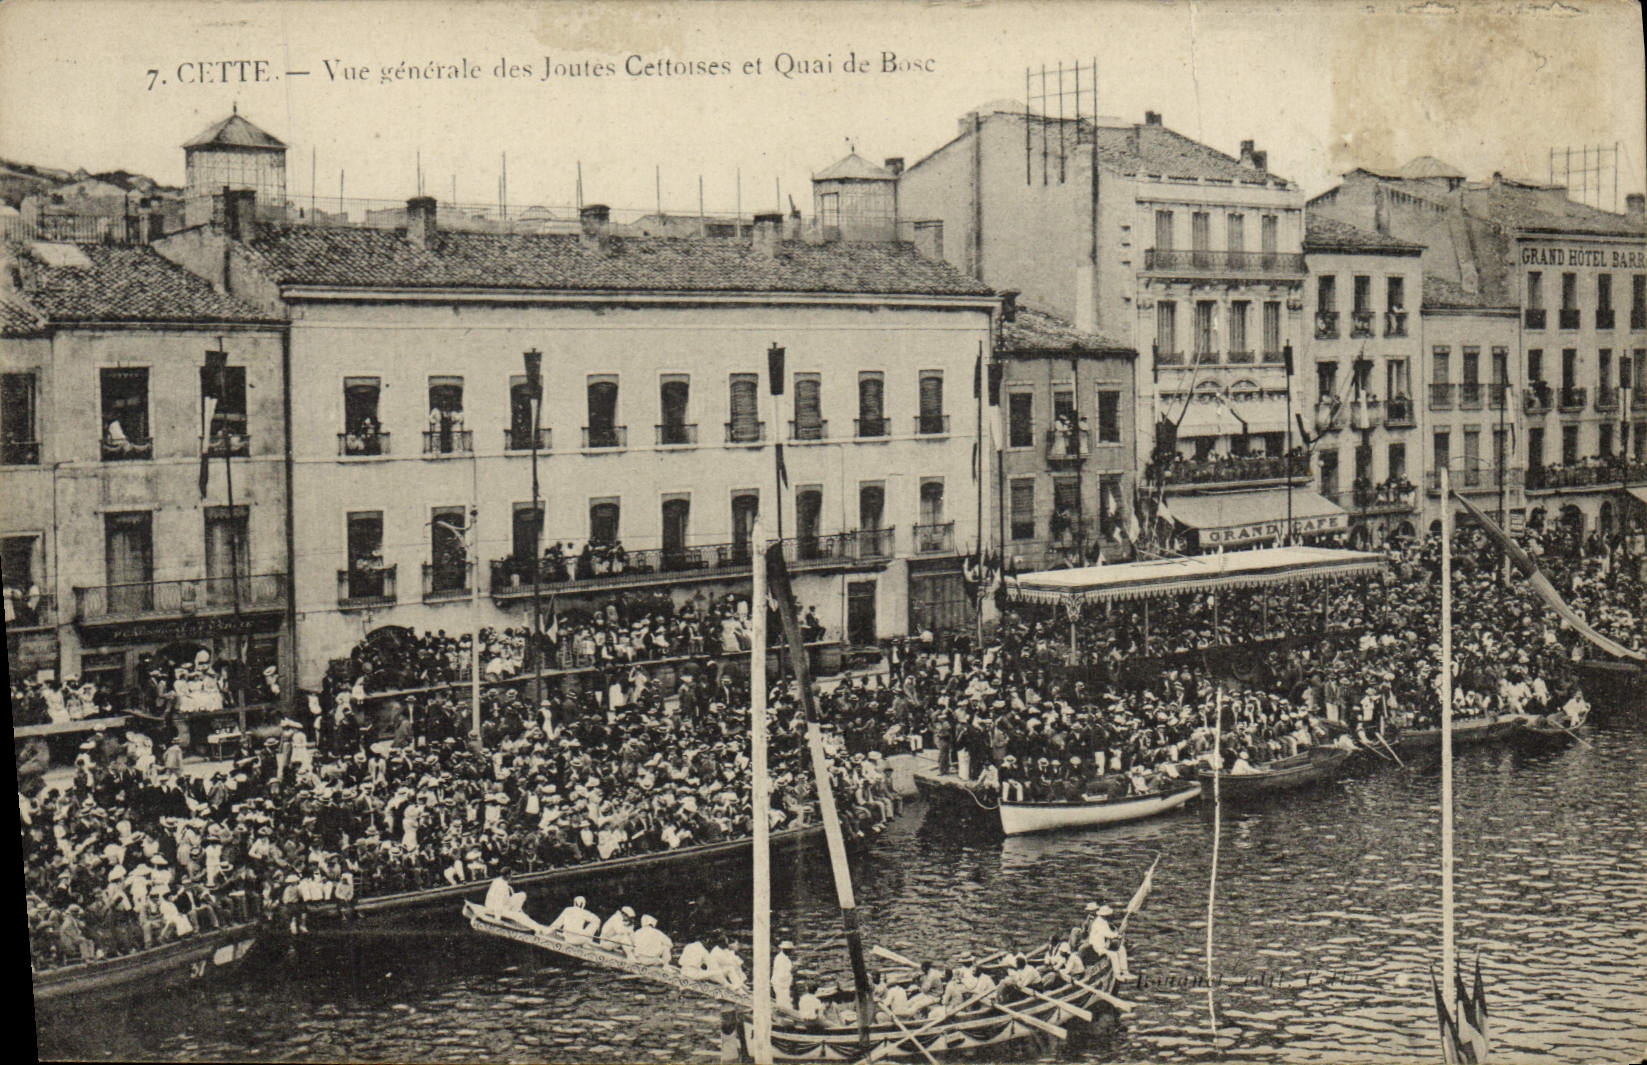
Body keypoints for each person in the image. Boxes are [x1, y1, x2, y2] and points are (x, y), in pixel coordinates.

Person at [771, 939, 795, 1011]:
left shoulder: (785, 958)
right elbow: (781, 974)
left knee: (785, 1001)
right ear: (785, 950)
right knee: (783, 1002)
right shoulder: (780, 959)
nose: (791, 951)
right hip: (781, 984)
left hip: (784, 983)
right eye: (789, 950)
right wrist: (790, 973)